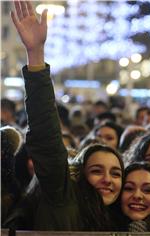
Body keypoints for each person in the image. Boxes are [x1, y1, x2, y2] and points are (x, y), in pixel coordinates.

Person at [10, 1, 125, 230]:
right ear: (79, 176)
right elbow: (47, 139)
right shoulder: (64, 200)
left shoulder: (125, 220)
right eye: (96, 171)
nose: (107, 180)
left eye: (116, 173)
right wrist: (35, 55)